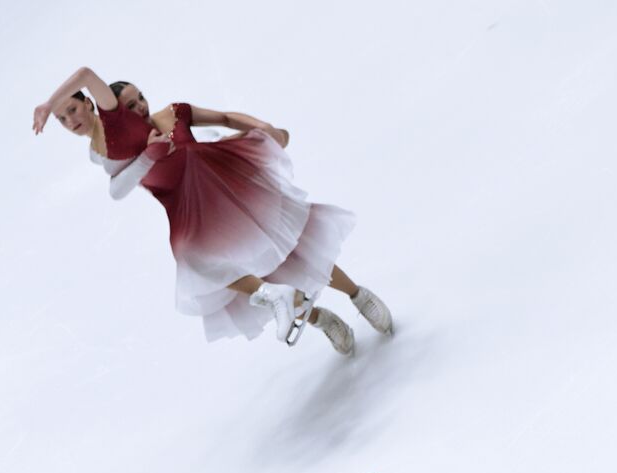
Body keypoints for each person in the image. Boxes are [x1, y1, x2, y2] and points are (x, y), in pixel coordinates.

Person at [33, 68, 393, 354]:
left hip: (227, 187)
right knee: (217, 270)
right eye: (130, 106)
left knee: (296, 248)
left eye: (139, 98)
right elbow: (119, 184)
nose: (139, 107)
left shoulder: (172, 115)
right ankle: (320, 319)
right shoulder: (121, 150)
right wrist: (146, 157)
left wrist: (263, 128)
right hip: (193, 214)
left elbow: (223, 117)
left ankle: (357, 295)